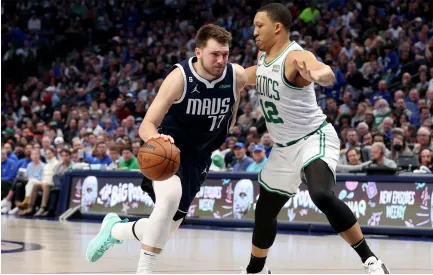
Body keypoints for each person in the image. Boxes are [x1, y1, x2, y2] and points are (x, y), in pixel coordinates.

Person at [85, 24, 249, 274]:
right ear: (198, 52)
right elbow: (146, 125)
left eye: (225, 54)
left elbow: (264, 73)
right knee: (169, 199)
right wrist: (158, 140)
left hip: (200, 156)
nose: (220, 60)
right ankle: (145, 270)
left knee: (165, 229)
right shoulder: (180, 78)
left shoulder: (235, 75)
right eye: (214, 54)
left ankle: (114, 229)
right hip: (169, 151)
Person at [242, 3, 389, 274]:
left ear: (277, 27)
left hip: (313, 137)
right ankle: (255, 270)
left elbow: (325, 71)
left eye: (259, 25)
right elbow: (245, 75)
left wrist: (318, 76)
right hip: (284, 149)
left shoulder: (295, 56)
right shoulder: (263, 60)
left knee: (320, 193)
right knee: (264, 212)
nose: (254, 32)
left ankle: (371, 260)